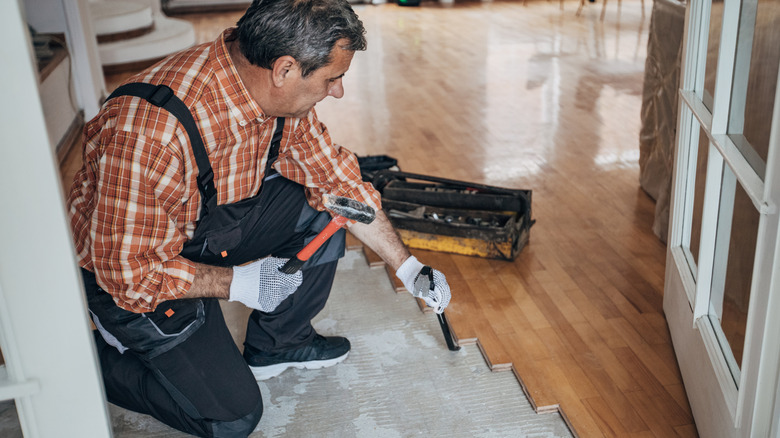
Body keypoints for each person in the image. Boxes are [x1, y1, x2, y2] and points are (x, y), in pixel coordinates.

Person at [65, 0, 451, 436]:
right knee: (231, 419)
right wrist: (241, 284)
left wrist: (409, 267)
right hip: (129, 271)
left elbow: (339, 186)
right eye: (334, 78)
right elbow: (128, 274)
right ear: (285, 69)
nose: (339, 91)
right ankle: (94, 356)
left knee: (320, 211)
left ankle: (278, 345)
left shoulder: (278, 95)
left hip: (206, 227)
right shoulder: (149, 134)